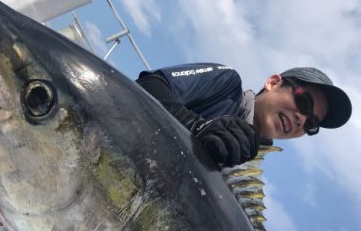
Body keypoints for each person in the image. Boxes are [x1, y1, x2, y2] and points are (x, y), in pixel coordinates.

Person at [136, 63, 352, 167]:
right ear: (273, 83)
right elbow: (149, 83)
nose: (302, 119)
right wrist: (195, 126)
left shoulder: (246, 167)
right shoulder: (227, 85)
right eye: (303, 102)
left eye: (312, 124)